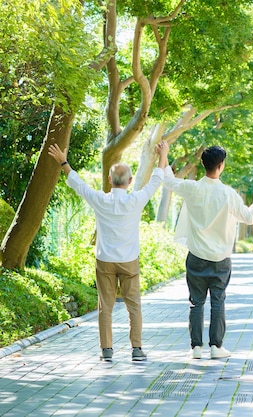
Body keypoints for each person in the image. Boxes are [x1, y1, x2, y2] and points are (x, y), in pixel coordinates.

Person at [48, 141, 169, 362]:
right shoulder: (136, 200)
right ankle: (137, 349)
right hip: (129, 261)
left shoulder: (100, 200)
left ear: (109, 180)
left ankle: (107, 350)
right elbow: (156, 180)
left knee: (106, 306)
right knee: (134, 305)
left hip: (104, 261)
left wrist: (63, 162)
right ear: (130, 181)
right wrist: (163, 155)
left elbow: (78, 184)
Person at [163, 145, 253, 360]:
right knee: (218, 301)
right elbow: (247, 217)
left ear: (202, 164)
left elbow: (169, 181)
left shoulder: (192, 188)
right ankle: (216, 347)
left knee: (196, 302)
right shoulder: (229, 194)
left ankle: (196, 348)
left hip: (196, 256)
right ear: (221, 166)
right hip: (220, 259)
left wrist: (163, 155)